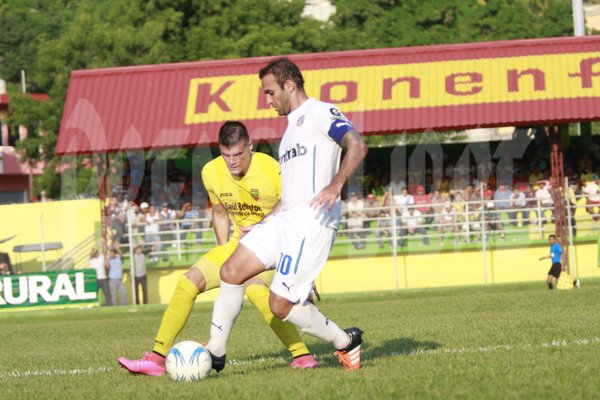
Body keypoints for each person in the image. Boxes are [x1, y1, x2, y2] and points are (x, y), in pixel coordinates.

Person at [204, 57, 368, 372]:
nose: (267, 100)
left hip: (312, 223)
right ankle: (216, 351)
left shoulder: (320, 112)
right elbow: (292, 191)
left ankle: (345, 342)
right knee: (231, 270)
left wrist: (335, 186)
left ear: (289, 85)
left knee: (279, 305)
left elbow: (357, 146)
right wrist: (267, 223)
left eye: (269, 92)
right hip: (285, 220)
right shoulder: (291, 129)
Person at [118, 120, 318, 376]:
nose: (232, 161)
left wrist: (302, 268)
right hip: (237, 245)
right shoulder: (211, 172)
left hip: (274, 248)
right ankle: (156, 360)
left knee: (256, 289)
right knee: (187, 282)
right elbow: (220, 213)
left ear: (250, 147)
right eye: (226, 155)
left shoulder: (271, 168)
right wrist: (226, 257)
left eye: (238, 154)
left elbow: (295, 206)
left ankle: (301, 355)